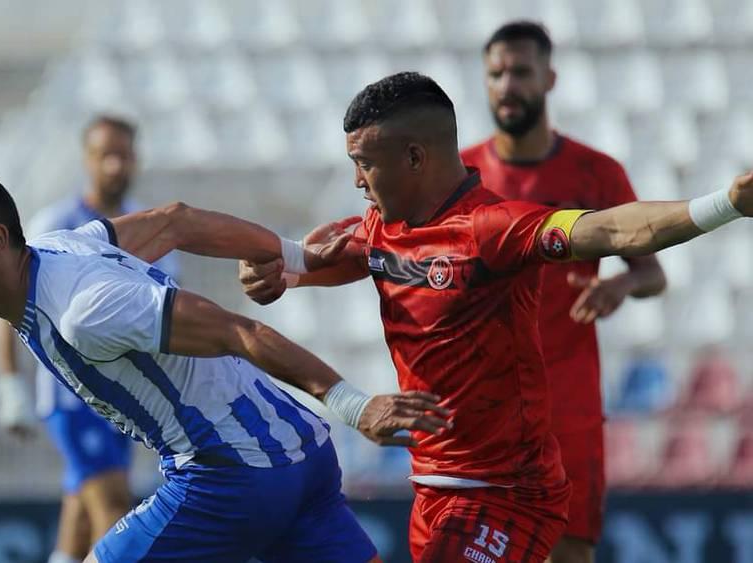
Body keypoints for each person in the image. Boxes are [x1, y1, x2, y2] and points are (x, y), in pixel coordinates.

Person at [237, 71, 752, 562]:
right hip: (433, 488)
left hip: (507, 493)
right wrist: (281, 270)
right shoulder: (383, 226)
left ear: (414, 157)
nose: (355, 180)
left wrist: (723, 204)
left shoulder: (492, 230)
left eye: (364, 162)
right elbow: (326, 257)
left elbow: (615, 230)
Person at [0, 169, 454, 563]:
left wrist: (353, 404)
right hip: (301, 454)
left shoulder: (84, 309)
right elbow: (175, 222)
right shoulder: (60, 249)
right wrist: (291, 256)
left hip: (232, 474)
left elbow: (236, 331)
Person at [459, 22, 666, 563]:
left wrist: (620, 283)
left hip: (566, 401)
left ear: (549, 79)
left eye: (521, 72)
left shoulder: (596, 173)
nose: (508, 86)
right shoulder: (459, 176)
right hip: (484, 403)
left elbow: (652, 274)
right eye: (496, 74)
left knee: (569, 553)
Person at [0, 115, 177, 563]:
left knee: (79, 515)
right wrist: (10, 385)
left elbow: (165, 315)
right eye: (105, 155)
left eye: (123, 155)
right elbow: (7, 302)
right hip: (71, 395)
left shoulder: (148, 227)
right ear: (87, 160)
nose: (115, 166)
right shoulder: (55, 224)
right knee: (114, 510)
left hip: (124, 398)